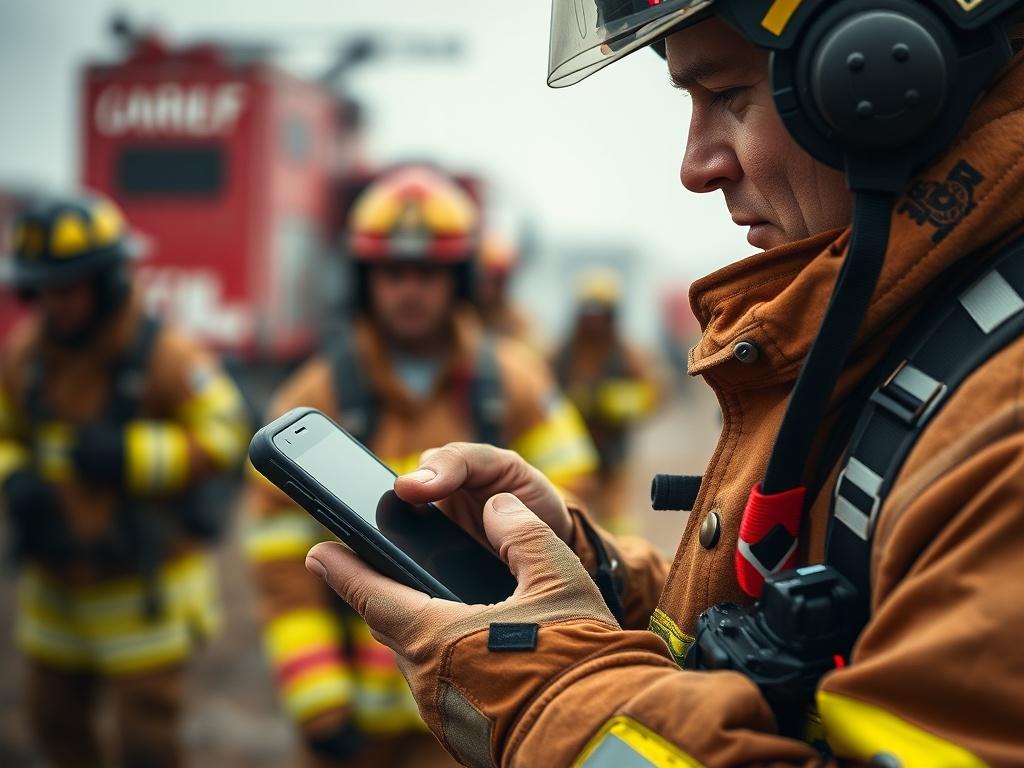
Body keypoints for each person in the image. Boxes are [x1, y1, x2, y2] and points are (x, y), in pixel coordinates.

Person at [305, 3, 1024, 766]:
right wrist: (597, 578)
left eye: (727, 96)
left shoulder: (998, 422)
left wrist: (546, 694)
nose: (695, 166)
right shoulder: (906, 338)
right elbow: (794, 640)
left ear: (884, 75)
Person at [242, 164, 597, 767]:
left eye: (429, 273)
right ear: (364, 280)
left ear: (458, 280)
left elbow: (576, 509)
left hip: (485, 706)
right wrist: (319, 701)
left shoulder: (517, 382)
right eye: (393, 272)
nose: (410, 290)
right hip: (357, 725)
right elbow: (280, 563)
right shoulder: (314, 395)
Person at [0, 193, 249, 767]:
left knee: (146, 748)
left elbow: (229, 432)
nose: (55, 305)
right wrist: (14, 478)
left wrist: (130, 456)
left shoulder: (167, 354)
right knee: (54, 727)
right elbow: (6, 434)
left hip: (145, 599)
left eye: (69, 288)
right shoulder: (26, 356)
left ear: (108, 280)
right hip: (55, 597)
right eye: (43, 290)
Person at [554, 268, 658, 530]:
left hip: (613, 448)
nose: (594, 320)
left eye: (600, 313)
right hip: (573, 448)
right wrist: (571, 402)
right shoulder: (562, 352)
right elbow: (543, 388)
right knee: (570, 509)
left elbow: (653, 392)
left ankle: (621, 562)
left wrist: (614, 401)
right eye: (589, 313)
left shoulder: (627, 353)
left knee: (616, 518)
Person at [476, 232, 536, 347]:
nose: (488, 288)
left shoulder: (519, 323)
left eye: (496, 281)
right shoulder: (461, 316)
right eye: (483, 279)